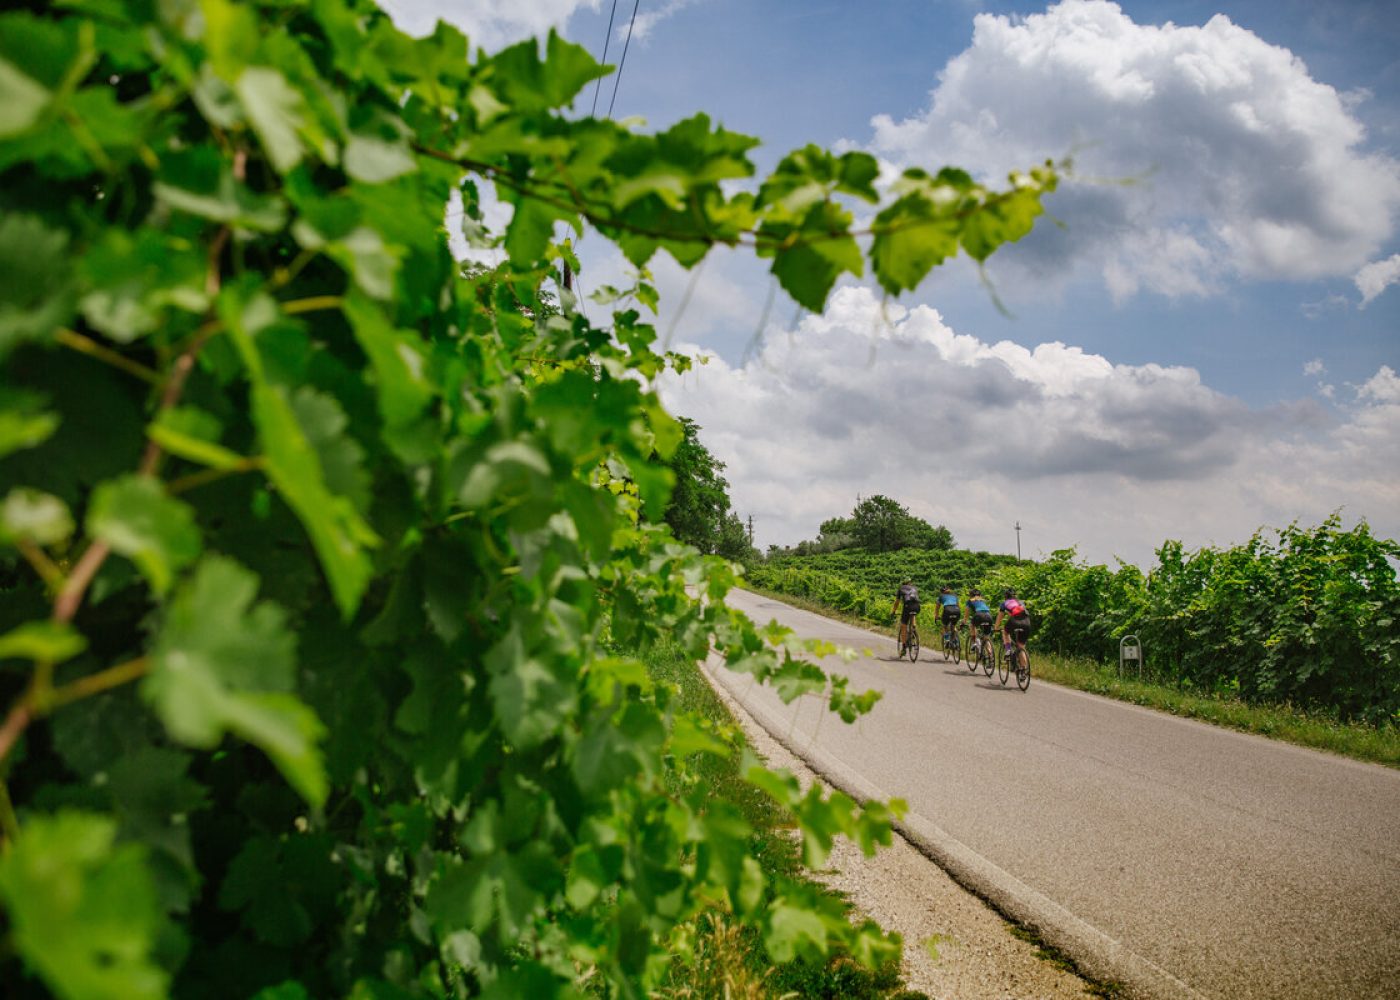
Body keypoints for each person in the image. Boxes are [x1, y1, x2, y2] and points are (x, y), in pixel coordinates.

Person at [994, 588, 1032, 669]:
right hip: (1027, 622)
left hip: (1015, 620)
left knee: (1005, 632)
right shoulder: (1021, 601)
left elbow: (1000, 616)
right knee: (1021, 647)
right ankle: (1024, 670)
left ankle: (1008, 650)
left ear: (1005, 596)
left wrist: (996, 627)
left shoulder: (1004, 603)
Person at [891, 578, 920, 652]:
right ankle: (913, 628)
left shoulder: (901, 588)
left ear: (903, 583)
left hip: (907, 606)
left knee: (903, 625)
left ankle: (904, 647)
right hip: (917, 606)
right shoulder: (915, 588)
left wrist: (893, 611)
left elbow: (897, 602)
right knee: (913, 613)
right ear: (910, 583)